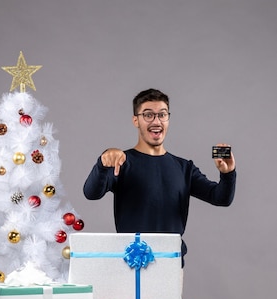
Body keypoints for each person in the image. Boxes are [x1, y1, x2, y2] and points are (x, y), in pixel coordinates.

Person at [83, 88, 236, 263]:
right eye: (148, 115)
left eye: (162, 115)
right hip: (132, 260)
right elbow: (91, 193)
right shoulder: (121, 161)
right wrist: (103, 163)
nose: (156, 121)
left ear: (168, 119)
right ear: (136, 120)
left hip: (171, 260)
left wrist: (227, 173)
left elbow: (221, 198)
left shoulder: (184, 168)